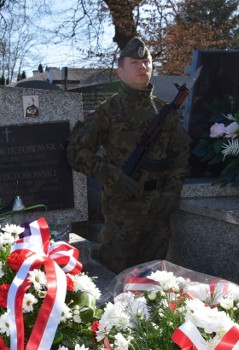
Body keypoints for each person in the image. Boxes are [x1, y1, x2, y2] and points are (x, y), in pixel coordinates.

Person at [66, 37, 190, 274]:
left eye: (147, 62)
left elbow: (182, 154)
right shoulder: (108, 111)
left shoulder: (165, 111)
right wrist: (112, 176)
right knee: (117, 275)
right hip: (122, 211)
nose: (143, 66)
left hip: (159, 209)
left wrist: (172, 193)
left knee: (154, 279)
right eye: (134, 62)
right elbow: (75, 151)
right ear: (120, 72)